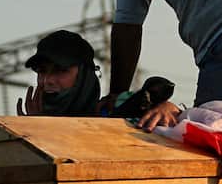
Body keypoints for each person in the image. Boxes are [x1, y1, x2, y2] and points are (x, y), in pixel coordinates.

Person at [17, 29, 179, 128]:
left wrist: (167, 108)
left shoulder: (116, 110)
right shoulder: (32, 126)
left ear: (84, 77)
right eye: (42, 72)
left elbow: (171, 114)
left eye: (60, 70)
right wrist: (34, 132)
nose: (47, 81)